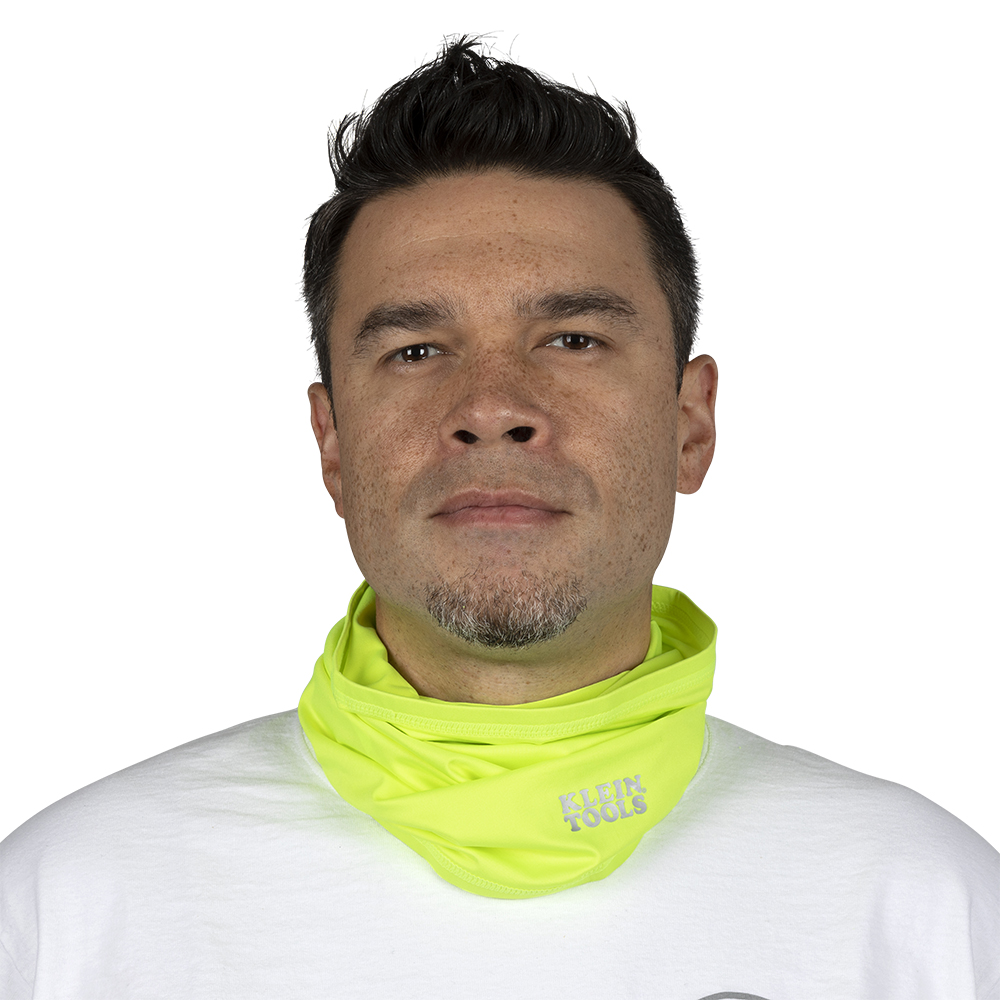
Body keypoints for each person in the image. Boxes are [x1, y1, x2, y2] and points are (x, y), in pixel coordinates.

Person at [1, 37, 997, 1000]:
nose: (490, 407)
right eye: (416, 350)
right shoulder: (66, 910)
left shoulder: (924, 909)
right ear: (333, 445)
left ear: (689, 425)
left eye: (572, 339)